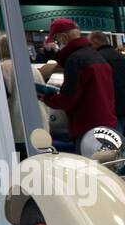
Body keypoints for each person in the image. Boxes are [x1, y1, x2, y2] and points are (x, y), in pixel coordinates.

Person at [39, 18, 117, 157]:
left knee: (89, 172)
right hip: (105, 123)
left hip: (86, 127)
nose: (57, 45)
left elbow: (68, 99)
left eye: (56, 40)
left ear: (63, 37)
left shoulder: (75, 60)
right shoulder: (96, 56)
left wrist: (46, 98)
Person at [0, 34, 49, 159]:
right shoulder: (32, 69)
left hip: (17, 129)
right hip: (39, 124)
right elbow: (44, 95)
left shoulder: (2, 68)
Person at [88, 31, 125, 137]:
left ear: (95, 41)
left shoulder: (97, 59)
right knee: (118, 138)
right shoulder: (122, 57)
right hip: (124, 104)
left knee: (108, 142)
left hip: (107, 106)